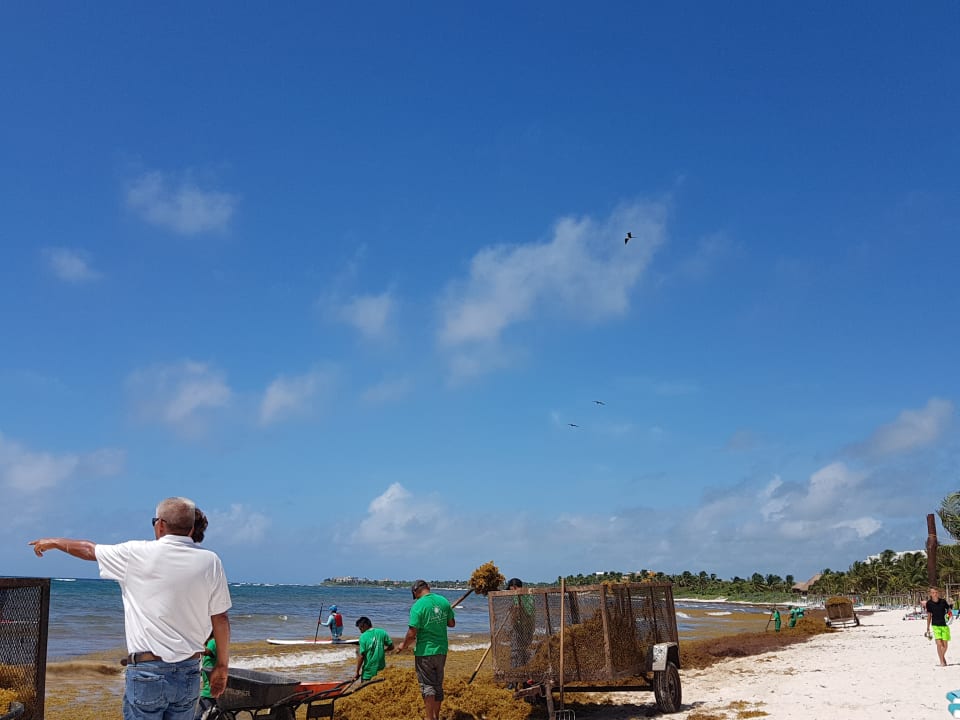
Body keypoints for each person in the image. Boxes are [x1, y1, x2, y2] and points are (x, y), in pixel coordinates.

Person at [30, 496, 232, 720]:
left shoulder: (135, 553)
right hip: (190, 672)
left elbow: (89, 550)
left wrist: (54, 542)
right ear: (191, 527)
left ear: (161, 524)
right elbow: (220, 618)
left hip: (148, 672)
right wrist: (222, 666)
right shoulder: (210, 561)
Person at [395, 579, 456, 720]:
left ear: (415, 593)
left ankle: (429, 718)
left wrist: (403, 645)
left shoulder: (418, 606)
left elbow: (412, 632)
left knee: (428, 687)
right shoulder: (444, 601)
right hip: (441, 650)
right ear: (428, 587)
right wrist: (443, 615)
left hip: (425, 652)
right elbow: (451, 624)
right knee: (438, 685)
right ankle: (436, 716)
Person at [506, 578, 535, 672]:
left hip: (519, 627)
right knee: (524, 649)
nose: (510, 592)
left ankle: (515, 674)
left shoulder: (516, 595)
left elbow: (518, 609)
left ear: (514, 587)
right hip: (530, 627)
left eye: (510, 589)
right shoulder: (530, 595)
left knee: (515, 651)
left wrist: (513, 612)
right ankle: (524, 672)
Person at [354, 616, 393, 682]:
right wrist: (383, 650)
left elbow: (361, 656)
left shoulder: (363, 637)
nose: (361, 631)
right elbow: (391, 646)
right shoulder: (382, 632)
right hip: (381, 672)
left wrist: (357, 672)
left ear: (364, 625)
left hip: (368, 673)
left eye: (360, 629)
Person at [926, 586, 953, 666]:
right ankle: (941, 661)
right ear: (930, 594)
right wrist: (927, 627)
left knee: (945, 645)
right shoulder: (929, 603)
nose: (935, 594)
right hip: (935, 625)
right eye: (933, 593)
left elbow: (949, 610)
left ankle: (942, 656)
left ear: (938, 593)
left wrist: (949, 615)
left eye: (936, 592)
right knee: (939, 644)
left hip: (944, 625)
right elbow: (929, 615)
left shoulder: (943, 601)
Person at [195, 631, 217, 720]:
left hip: (209, 690)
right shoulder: (212, 642)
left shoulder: (213, 642)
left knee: (197, 716)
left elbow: (207, 652)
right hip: (211, 686)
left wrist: (194, 643)